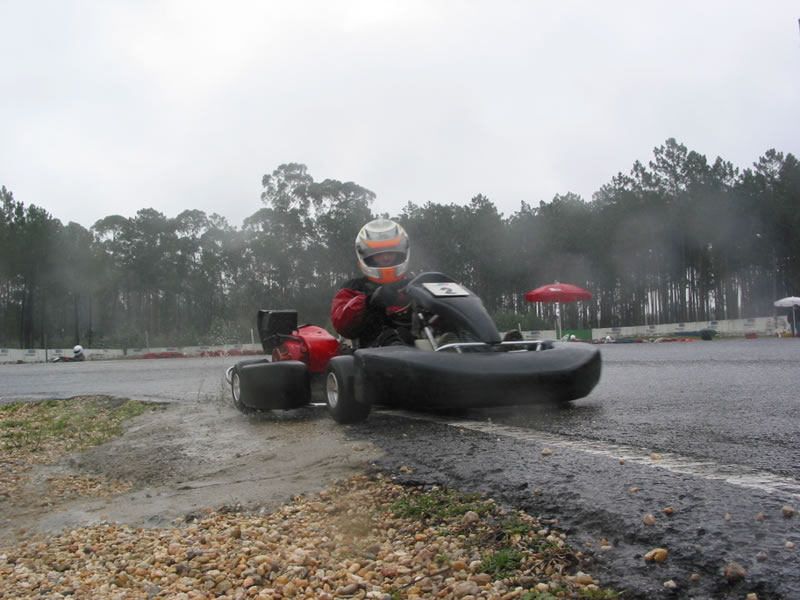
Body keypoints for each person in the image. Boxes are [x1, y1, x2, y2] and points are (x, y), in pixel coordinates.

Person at [330, 218, 414, 348]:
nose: (386, 258)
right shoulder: (354, 287)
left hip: (421, 346)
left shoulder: (413, 284)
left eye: (390, 252)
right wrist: (369, 302)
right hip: (372, 350)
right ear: (367, 256)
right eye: (379, 254)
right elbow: (341, 324)